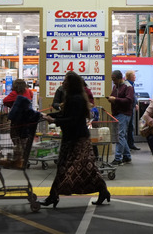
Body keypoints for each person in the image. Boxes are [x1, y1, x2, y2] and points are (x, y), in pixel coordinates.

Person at [40, 72, 110, 208]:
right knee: (86, 168)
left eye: (65, 81)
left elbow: (73, 120)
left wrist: (54, 120)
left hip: (77, 139)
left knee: (66, 167)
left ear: (71, 84)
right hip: (73, 138)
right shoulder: (72, 98)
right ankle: (103, 191)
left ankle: (53, 196)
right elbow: (65, 114)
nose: (63, 83)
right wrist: (48, 115)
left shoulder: (75, 99)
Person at [8, 79, 44, 166]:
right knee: (24, 139)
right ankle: (25, 157)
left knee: (16, 139)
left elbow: (5, 100)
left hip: (17, 121)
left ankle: (19, 158)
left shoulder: (14, 94)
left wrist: (13, 105)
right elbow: (30, 99)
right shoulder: (28, 92)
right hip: (26, 120)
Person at [108, 69, 134, 166]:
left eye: (114, 79)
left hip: (124, 113)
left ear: (120, 78)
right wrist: (111, 99)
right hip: (117, 113)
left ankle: (118, 158)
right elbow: (114, 96)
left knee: (120, 136)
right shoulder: (116, 86)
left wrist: (115, 100)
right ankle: (127, 156)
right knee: (121, 136)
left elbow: (129, 100)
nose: (113, 81)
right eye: (112, 79)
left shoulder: (128, 87)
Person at [124, 70, 140, 150]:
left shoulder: (131, 84)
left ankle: (131, 144)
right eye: (134, 75)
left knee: (131, 126)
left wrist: (135, 104)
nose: (135, 77)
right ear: (130, 76)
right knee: (127, 127)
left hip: (131, 107)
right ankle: (127, 145)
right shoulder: (127, 85)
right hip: (128, 109)